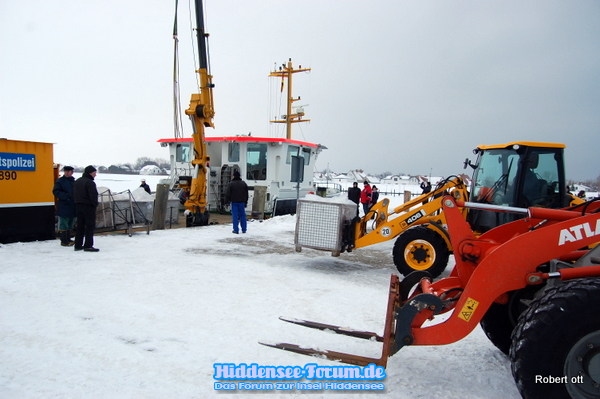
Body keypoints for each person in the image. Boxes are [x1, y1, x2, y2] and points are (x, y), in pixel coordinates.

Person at [74, 165, 100, 252]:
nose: (95, 175)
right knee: (89, 226)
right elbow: (93, 196)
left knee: (80, 226)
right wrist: (94, 205)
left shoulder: (77, 181)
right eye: (94, 173)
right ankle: (88, 245)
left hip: (78, 206)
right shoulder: (90, 183)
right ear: (89, 173)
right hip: (88, 206)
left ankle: (77, 245)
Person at [52, 165, 77, 246]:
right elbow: (56, 191)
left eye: (68, 171)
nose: (67, 173)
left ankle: (68, 238)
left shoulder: (74, 181)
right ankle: (64, 241)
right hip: (64, 205)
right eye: (65, 171)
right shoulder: (60, 181)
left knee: (71, 222)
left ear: (72, 172)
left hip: (72, 206)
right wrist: (66, 197)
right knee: (63, 223)